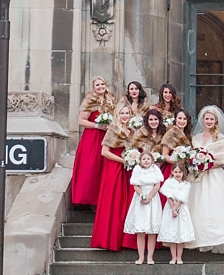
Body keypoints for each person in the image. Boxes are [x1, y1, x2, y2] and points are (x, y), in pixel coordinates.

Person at [184, 105, 224, 253]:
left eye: (212, 119)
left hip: (214, 175)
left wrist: (206, 165)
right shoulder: (196, 137)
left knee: (215, 207)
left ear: (216, 121)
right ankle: (196, 238)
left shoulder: (221, 138)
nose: (209, 121)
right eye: (206, 118)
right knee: (196, 206)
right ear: (203, 120)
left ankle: (217, 238)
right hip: (196, 177)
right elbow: (191, 157)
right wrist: (196, 164)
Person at [90, 104, 136, 251]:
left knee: (126, 204)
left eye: (127, 113)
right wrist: (123, 161)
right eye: (122, 113)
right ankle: (110, 240)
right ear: (117, 114)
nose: (124, 116)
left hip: (128, 170)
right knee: (115, 203)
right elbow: (104, 151)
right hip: (115, 169)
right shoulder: (113, 129)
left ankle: (126, 240)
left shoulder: (132, 131)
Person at [70, 76, 115, 206]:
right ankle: (89, 200)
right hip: (93, 136)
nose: (100, 86)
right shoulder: (90, 101)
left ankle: (104, 198)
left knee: (105, 167)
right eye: (97, 85)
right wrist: (97, 126)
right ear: (93, 88)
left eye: (102, 84)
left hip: (107, 136)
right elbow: (81, 121)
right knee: (92, 166)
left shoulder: (111, 100)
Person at [124, 149, 163, 265]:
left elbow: (157, 185)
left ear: (152, 160)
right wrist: (141, 195)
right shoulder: (137, 170)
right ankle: (140, 257)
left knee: (151, 231)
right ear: (140, 161)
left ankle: (150, 257)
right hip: (140, 198)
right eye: (144, 159)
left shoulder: (155, 169)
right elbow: (135, 185)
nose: (146, 161)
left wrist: (149, 197)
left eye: (148, 159)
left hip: (153, 198)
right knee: (140, 231)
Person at [157, 163, 196, 265]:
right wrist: (172, 208)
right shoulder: (169, 182)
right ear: (172, 172)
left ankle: (179, 257)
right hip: (170, 208)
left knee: (180, 232)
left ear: (184, 173)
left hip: (181, 209)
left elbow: (182, 198)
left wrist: (175, 208)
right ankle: (173, 257)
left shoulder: (186, 185)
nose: (177, 174)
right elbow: (168, 196)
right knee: (172, 233)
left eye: (180, 172)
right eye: (176, 172)